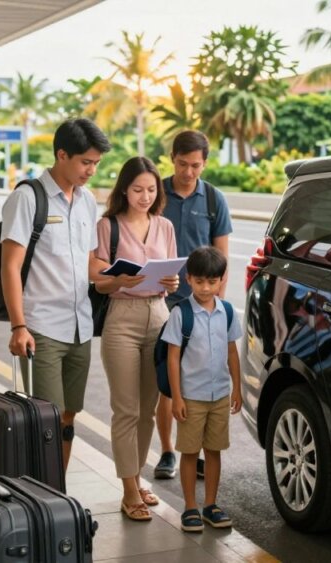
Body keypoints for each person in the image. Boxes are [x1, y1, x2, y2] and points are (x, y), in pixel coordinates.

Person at [1, 118, 111, 476]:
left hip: (80, 325)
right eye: (85, 162)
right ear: (61, 154)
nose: (91, 170)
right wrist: (19, 326)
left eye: (96, 163)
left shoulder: (88, 201)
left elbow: (91, 265)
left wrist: (124, 277)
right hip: (42, 328)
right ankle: (41, 490)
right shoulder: (27, 197)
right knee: (45, 417)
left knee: (67, 416)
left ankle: (57, 489)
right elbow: (10, 267)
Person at [89, 156, 180, 522]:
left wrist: (172, 282)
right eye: (138, 189)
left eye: (152, 189)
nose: (145, 196)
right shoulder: (107, 227)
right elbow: (96, 278)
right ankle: (129, 490)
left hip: (159, 315)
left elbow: (171, 271)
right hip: (122, 319)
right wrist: (117, 281)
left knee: (148, 410)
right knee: (126, 409)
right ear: (124, 189)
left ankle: (138, 478)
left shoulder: (165, 226)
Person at [154, 130, 233, 481]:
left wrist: (214, 304)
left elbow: (222, 259)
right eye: (183, 164)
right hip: (161, 299)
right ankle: (169, 451)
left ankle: (194, 450)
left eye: (196, 166)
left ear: (205, 162)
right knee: (167, 381)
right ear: (172, 158)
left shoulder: (214, 199)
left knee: (198, 378)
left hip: (200, 301)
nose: (189, 172)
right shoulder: (155, 193)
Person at [162, 246, 243, 533]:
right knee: (188, 452)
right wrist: (176, 397)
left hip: (219, 394)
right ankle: (190, 507)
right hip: (191, 397)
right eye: (199, 282)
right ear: (188, 279)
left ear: (221, 280)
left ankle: (210, 504)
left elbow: (232, 352)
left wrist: (237, 388)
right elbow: (173, 357)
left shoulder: (228, 311)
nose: (206, 288)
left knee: (214, 451)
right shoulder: (180, 313)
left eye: (212, 282)